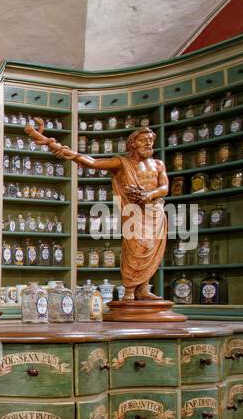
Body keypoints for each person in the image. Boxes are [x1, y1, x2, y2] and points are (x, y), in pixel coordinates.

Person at [25, 120, 169, 302]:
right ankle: (130, 291)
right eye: (143, 140)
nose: (148, 143)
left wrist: (149, 195)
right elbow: (92, 162)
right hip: (134, 213)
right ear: (133, 143)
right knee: (135, 248)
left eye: (150, 140)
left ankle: (143, 289)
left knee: (152, 249)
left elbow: (164, 188)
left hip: (154, 212)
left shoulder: (158, 164)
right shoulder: (121, 163)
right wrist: (71, 154)